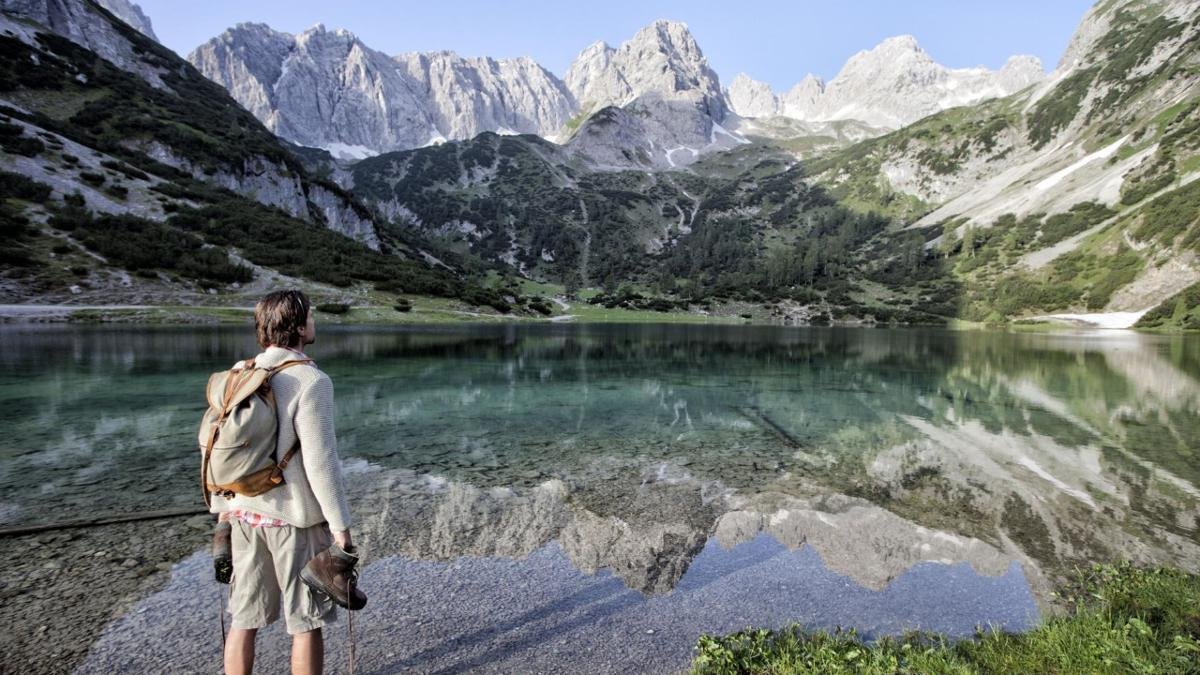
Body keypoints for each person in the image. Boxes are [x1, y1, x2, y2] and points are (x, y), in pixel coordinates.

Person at [207, 289, 360, 675]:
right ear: (296, 325)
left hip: (242, 513)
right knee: (306, 622)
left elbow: (215, 446)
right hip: (293, 521)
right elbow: (321, 463)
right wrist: (341, 528)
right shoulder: (310, 380)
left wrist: (222, 510)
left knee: (245, 617)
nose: (314, 322)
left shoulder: (241, 372)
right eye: (310, 316)